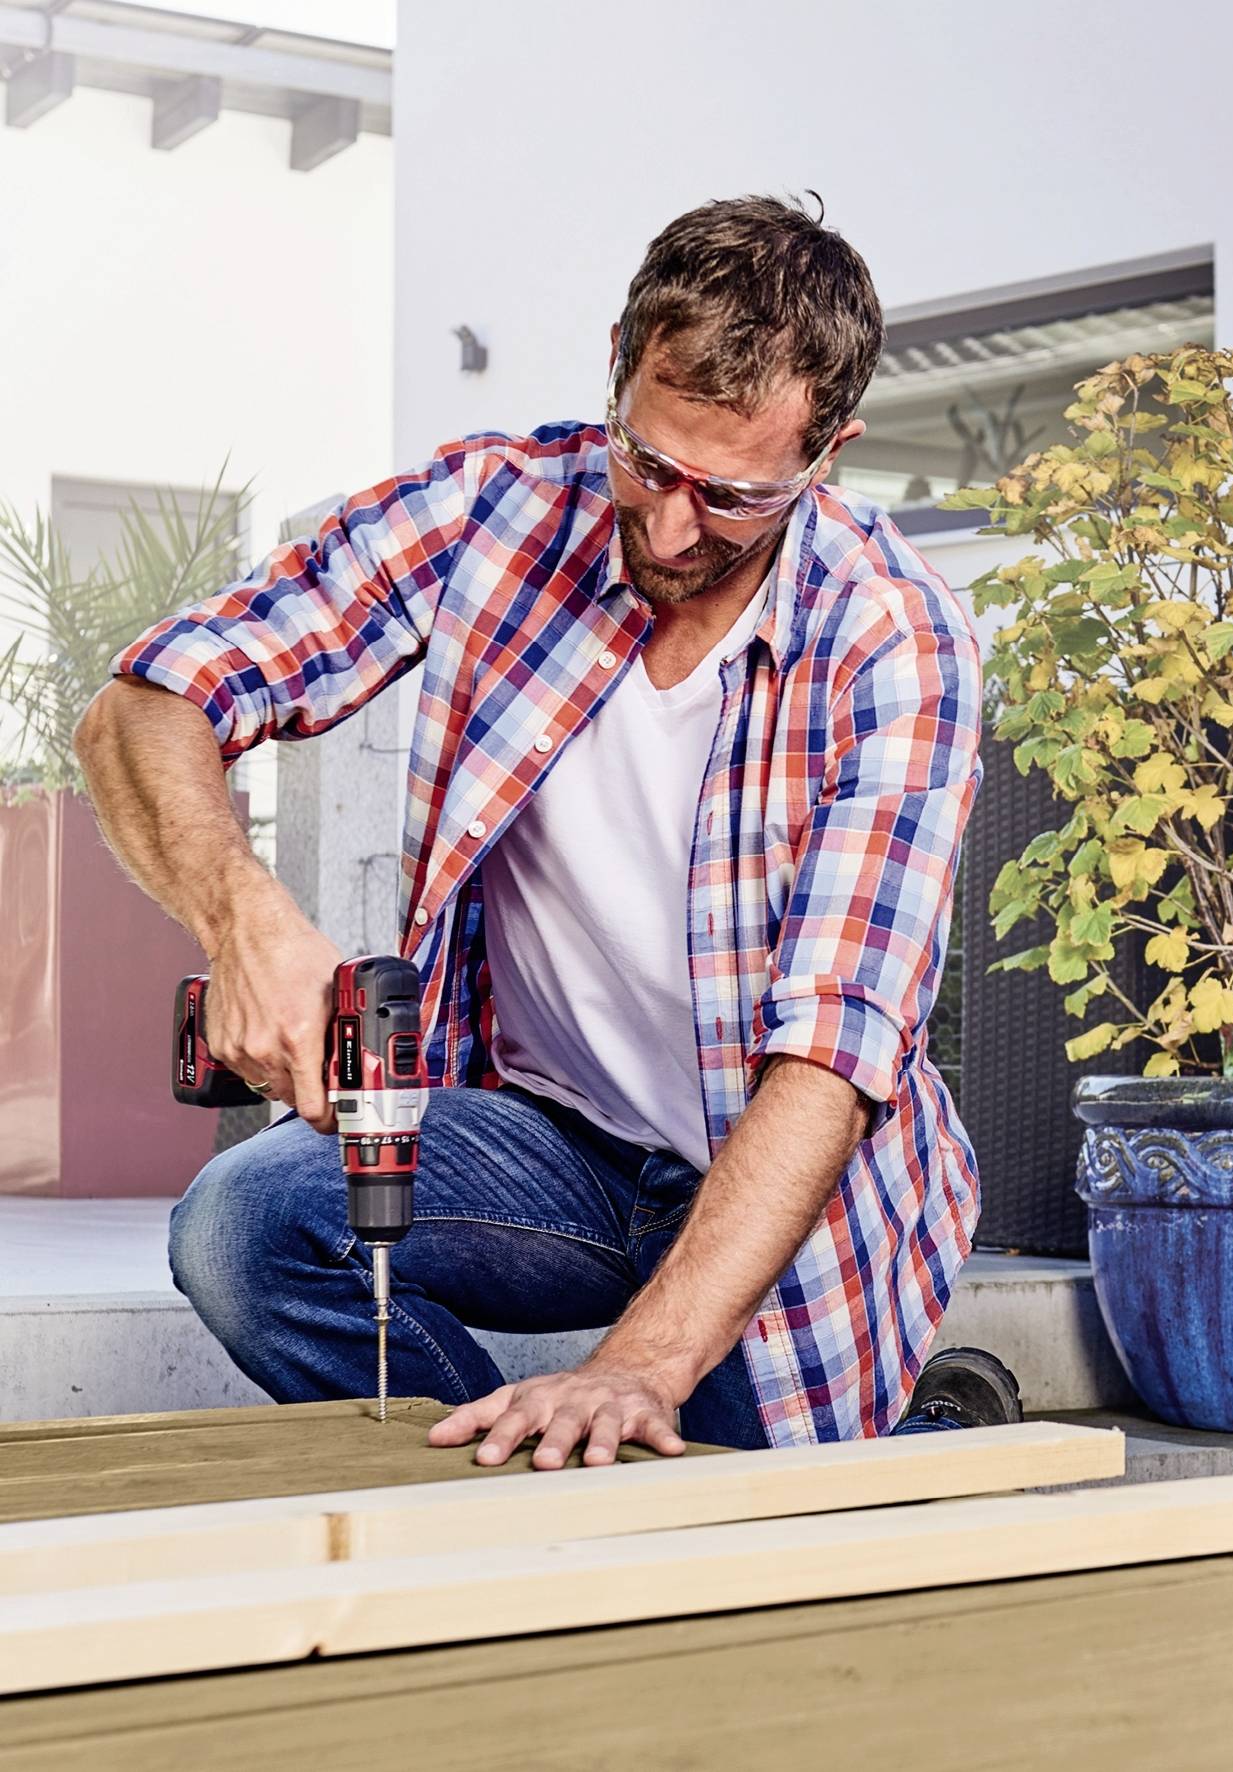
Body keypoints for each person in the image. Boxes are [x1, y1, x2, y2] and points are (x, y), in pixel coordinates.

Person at [74, 193, 1021, 1469]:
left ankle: (914, 1427)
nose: (673, 529)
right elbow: (144, 704)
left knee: (734, 1555)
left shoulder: (894, 644)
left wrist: (633, 1367)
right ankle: (492, 1481)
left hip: (785, 1190)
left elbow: (834, 1057)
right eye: (650, 461)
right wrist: (247, 919)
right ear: (621, 357)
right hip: (557, 1146)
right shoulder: (494, 509)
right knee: (246, 1228)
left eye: (734, 497)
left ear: (829, 450)